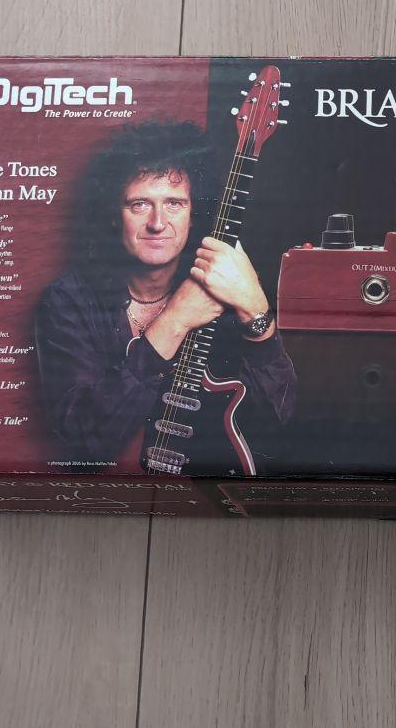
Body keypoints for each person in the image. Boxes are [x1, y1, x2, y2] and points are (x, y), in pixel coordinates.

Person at [34, 120, 295, 471]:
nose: (158, 223)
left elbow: (278, 418)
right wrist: (174, 320)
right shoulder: (68, 301)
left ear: (193, 214)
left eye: (174, 203)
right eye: (139, 204)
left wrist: (255, 307)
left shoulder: (223, 286)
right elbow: (84, 433)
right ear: (114, 216)